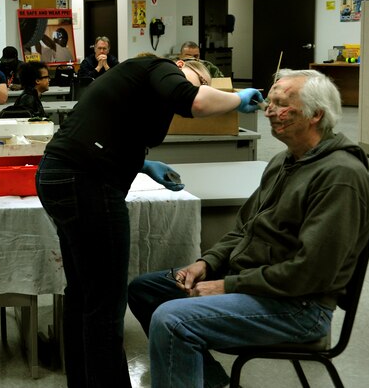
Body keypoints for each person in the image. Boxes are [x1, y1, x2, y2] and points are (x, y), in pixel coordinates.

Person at [128, 69, 369, 388]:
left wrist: (227, 285)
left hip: (298, 307)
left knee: (172, 319)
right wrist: (208, 263)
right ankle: (207, 381)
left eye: (281, 103)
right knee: (146, 288)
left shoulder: (340, 178)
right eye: (269, 102)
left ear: (315, 115)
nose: (269, 110)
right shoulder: (284, 161)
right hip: (261, 283)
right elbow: (244, 229)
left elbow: (311, 274)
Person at [35, 54, 264, 388]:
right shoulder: (162, 67)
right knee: (106, 303)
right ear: (186, 65)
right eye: (199, 81)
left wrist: (144, 164)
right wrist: (237, 98)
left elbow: (111, 128)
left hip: (62, 175)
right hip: (87, 181)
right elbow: (194, 102)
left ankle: (83, 382)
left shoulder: (140, 83)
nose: (197, 89)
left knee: (84, 294)